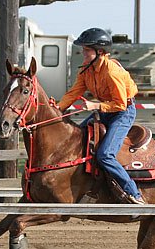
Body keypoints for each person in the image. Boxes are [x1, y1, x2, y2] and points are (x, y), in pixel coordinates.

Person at [57, 27, 145, 204]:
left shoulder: (112, 72)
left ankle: (133, 193)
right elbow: (73, 92)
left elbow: (120, 104)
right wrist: (58, 108)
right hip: (106, 110)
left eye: (87, 50)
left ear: (100, 52)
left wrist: (94, 105)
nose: (83, 53)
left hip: (123, 113)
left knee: (105, 154)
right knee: (75, 141)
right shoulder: (86, 70)